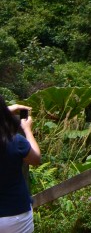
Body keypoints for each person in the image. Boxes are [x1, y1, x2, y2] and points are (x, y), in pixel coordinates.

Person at [0, 98, 40, 233]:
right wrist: (27, 130)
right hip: (16, 214)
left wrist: (8, 109)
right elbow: (35, 159)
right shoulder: (15, 141)